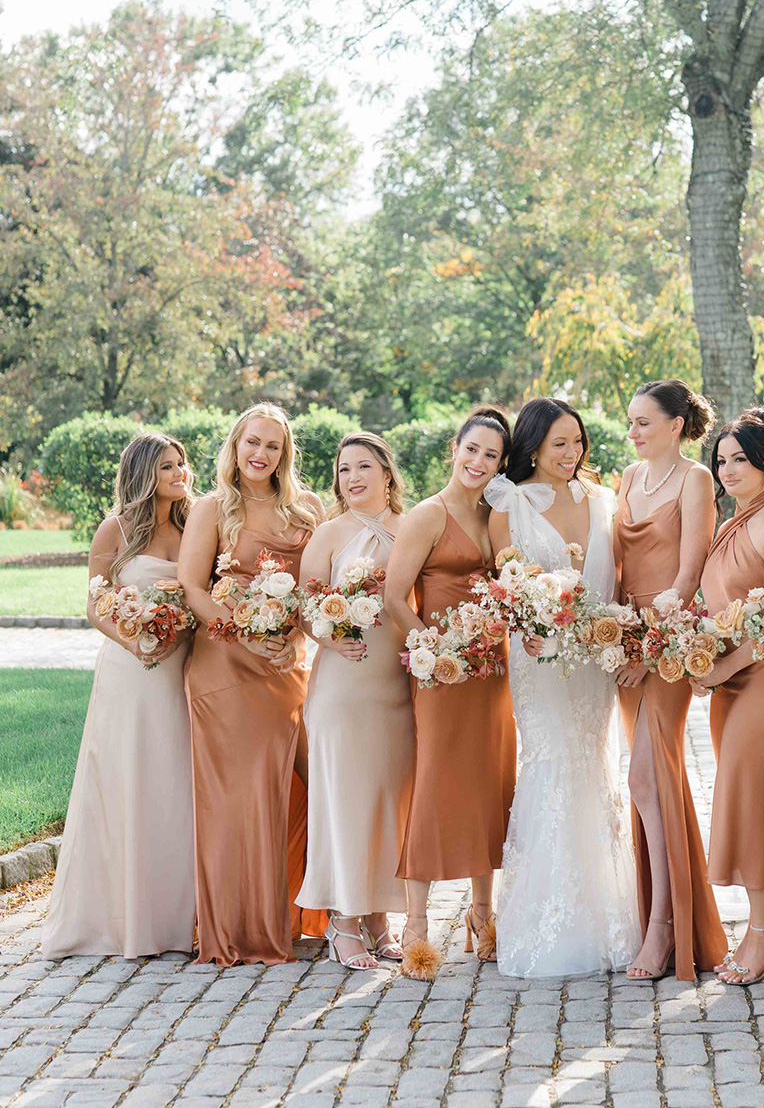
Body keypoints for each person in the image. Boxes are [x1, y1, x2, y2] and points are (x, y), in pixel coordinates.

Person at [487, 398, 640, 977]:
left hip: (596, 658)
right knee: (551, 763)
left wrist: (621, 637)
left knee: (594, 765)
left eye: (577, 441)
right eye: (558, 443)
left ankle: (606, 917)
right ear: (531, 447)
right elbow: (507, 583)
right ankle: (546, 922)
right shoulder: (510, 502)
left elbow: (618, 581)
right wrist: (525, 626)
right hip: (541, 659)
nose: (571, 452)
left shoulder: (603, 500)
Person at [178, 403, 324, 966]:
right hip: (225, 664)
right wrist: (241, 636)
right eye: (252, 443)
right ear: (235, 447)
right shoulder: (214, 507)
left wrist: (299, 634)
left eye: (273, 446)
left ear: (285, 454)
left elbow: (315, 585)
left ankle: (300, 913)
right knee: (235, 799)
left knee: (303, 786)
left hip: (286, 662)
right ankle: (236, 926)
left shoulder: (306, 508)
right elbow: (193, 587)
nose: (261, 454)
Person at [42, 434, 196, 960]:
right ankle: (120, 919)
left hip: (185, 667)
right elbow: (96, 603)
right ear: (142, 474)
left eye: (181, 464)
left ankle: (178, 920)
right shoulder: (117, 528)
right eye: (167, 467)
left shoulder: (196, 521)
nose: (180, 473)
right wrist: (136, 640)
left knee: (176, 783)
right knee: (128, 778)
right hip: (131, 671)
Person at [384, 407, 517, 978]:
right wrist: (433, 656)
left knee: (489, 785)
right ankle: (416, 924)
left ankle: (482, 914)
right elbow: (394, 599)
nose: (478, 462)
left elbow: (513, 585)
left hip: (490, 674)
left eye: (491, 455)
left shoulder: (497, 514)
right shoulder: (426, 516)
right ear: (454, 448)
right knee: (437, 786)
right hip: (440, 675)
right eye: (472, 450)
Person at [690, 407, 764, 986]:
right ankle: (760, 924)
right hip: (728, 684)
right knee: (743, 795)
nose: (728, 468)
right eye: (722, 459)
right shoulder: (731, 520)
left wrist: (727, 665)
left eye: (740, 459)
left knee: (757, 801)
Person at [614, 380, 727, 981]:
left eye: (643, 423)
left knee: (645, 775)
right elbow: (618, 564)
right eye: (629, 422)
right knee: (655, 784)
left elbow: (689, 573)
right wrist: (610, 634)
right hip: (623, 646)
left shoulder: (695, 481)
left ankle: (664, 931)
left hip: (668, 646)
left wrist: (652, 645)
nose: (632, 433)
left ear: (677, 425)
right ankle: (668, 917)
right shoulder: (627, 481)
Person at [296, 432, 413, 969]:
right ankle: (343, 920)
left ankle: (380, 917)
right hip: (343, 685)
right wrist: (328, 633)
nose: (353, 478)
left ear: (388, 473)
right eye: (344, 470)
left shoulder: (413, 528)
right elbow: (306, 605)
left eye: (364, 466)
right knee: (344, 796)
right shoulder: (328, 533)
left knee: (390, 798)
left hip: (396, 685)